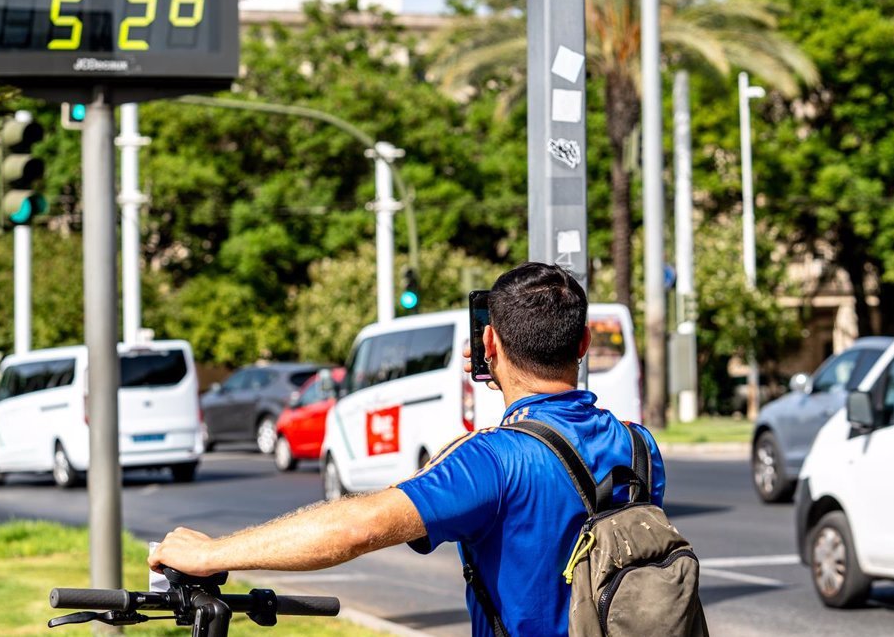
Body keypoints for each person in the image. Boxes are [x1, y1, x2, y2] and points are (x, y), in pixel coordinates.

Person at [149, 262, 666, 636]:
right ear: (583, 345)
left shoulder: (490, 461)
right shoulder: (639, 446)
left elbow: (357, 527)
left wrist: (211, 553)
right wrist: (510, 385)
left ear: (489, 345)